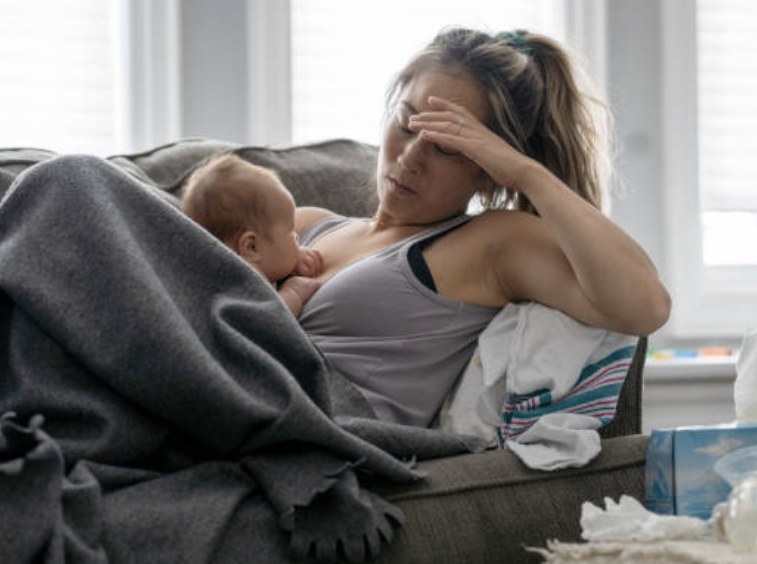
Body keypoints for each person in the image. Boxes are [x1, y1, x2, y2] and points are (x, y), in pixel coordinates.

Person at [293, 27, 671, 427]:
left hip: (308, 427)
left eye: (446, 147)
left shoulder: (488, 244)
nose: (410, 158)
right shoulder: (307, 224)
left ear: (488, 170)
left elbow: (646, 308)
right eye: (407, 124)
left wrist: (528, 174)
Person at [182, 153, 322, 317]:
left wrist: (291, 258)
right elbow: (268, 322)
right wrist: (294, 293)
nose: (297, 236)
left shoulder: (241, 262)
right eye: (290, 230)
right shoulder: (236, 284)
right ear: (251, 247)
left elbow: (271, 261)